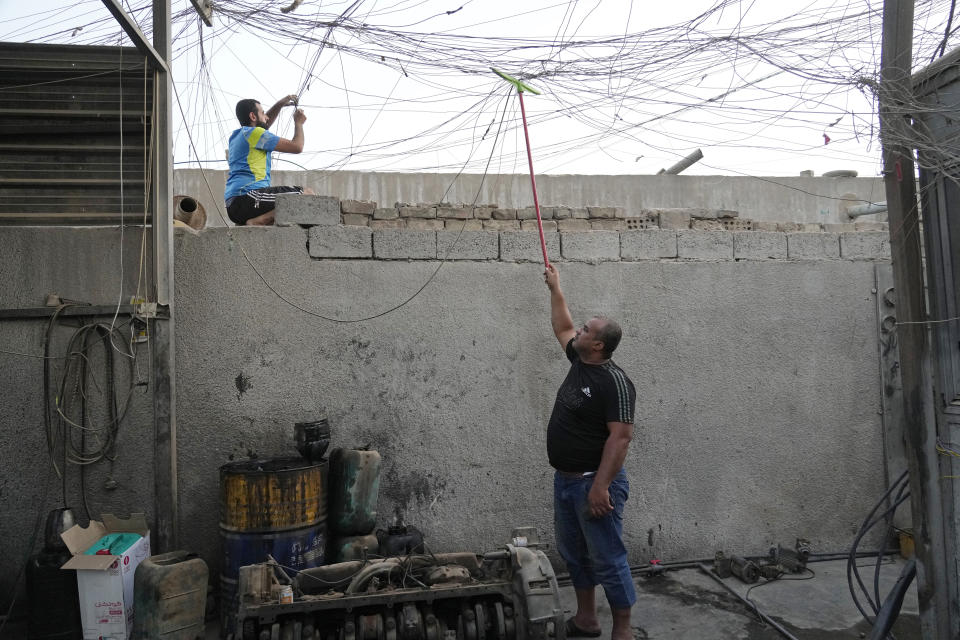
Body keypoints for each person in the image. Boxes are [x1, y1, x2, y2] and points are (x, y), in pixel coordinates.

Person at [543, 263, 637, 640]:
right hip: (566, 482)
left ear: (598, 344)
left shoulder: (615, 382)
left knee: (608, 559)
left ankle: (624, 631)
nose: (578, 331)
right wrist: (556, 288)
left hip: (593, 485)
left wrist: (601, 486)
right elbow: (562, 327)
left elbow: (621, 438)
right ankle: (586, 619)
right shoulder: (579, 359)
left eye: (586, 330)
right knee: (575, 555)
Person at [224, 95, 315, 226]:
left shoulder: (238, 136)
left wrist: (280, 104)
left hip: (233, 205)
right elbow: (297, 146)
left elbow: (264, 123)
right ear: (253, 117)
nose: (266, 117)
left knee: (292, 200)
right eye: (262, 113)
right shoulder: (255, 134)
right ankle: (261, 220)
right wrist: (298, 123)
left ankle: (259, 219)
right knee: (306, 194)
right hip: (249, 196)